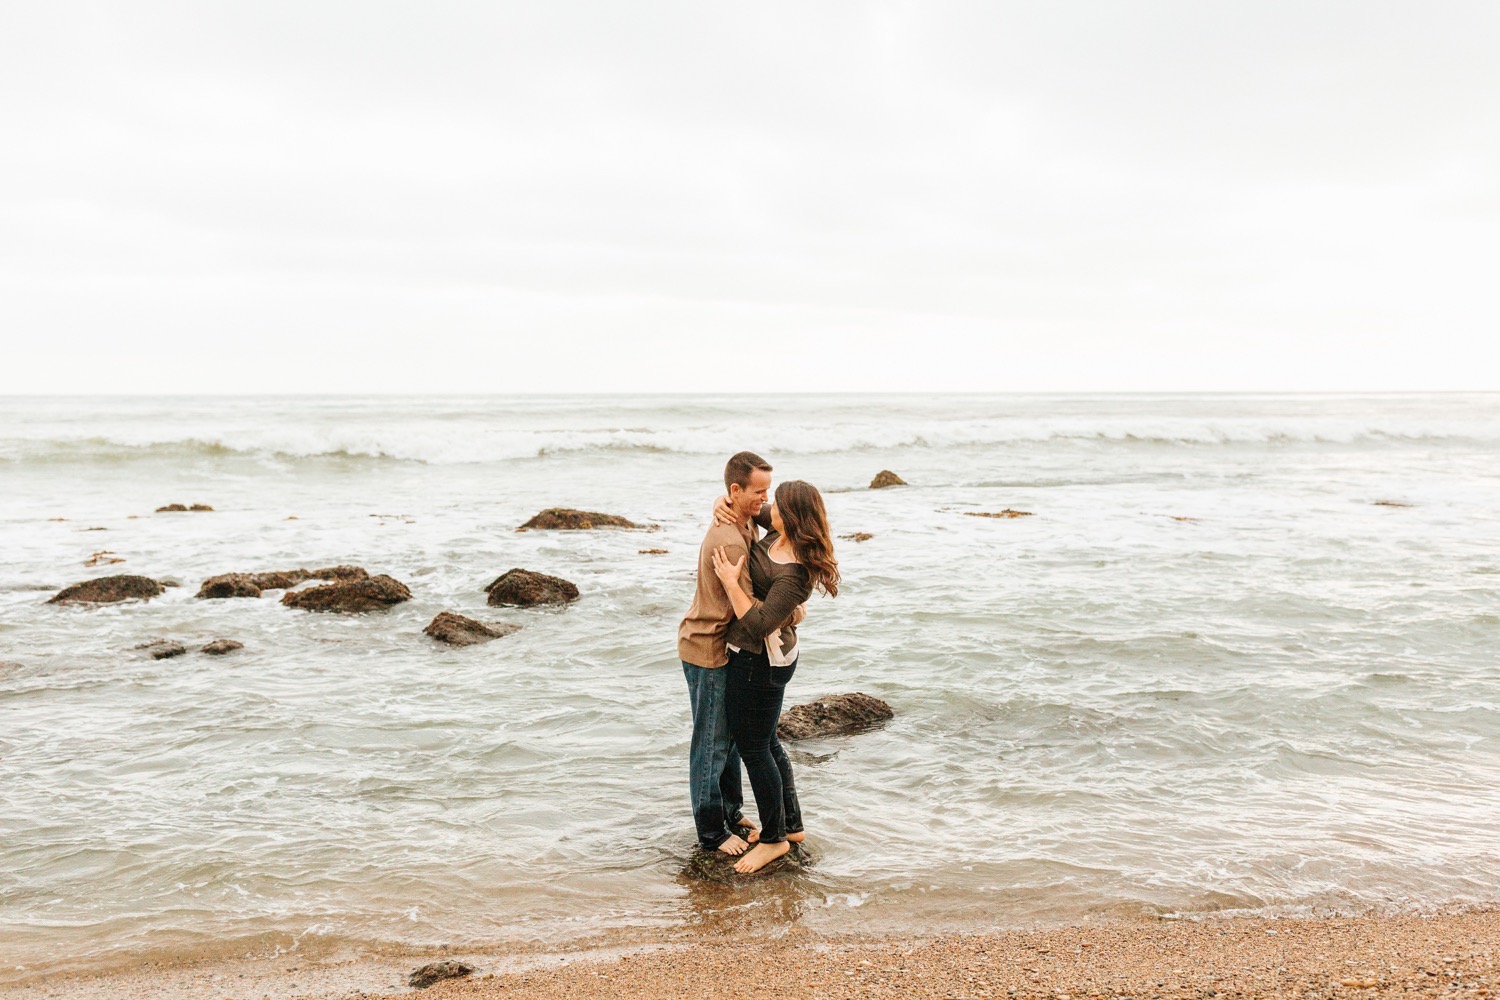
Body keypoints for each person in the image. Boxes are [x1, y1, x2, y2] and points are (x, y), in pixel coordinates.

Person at [711, 480, 840, 874]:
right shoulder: (780, 528)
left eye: (777, 503)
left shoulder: (795, 573)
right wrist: (722, 502)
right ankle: (792, 826)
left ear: (792, 516)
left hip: (761, 663)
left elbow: (758, 625)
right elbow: (743, 508)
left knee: (753, 747)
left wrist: (732, 583)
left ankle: (774, 840)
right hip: (768, 659)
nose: (769, 506)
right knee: (767, 741)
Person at [677, 451, 773, 856]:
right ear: (735, 489)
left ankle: (730, 811)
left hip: (717, 646)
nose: (764, 499)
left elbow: (777, 516)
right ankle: (712, 832)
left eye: (768, 491)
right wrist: (791, 609)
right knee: (712, 744)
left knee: (729, 739)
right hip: (707, 648)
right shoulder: (730, 539)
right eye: (758, 492)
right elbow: (745, 609)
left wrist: (728, 504)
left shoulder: (741, 517)